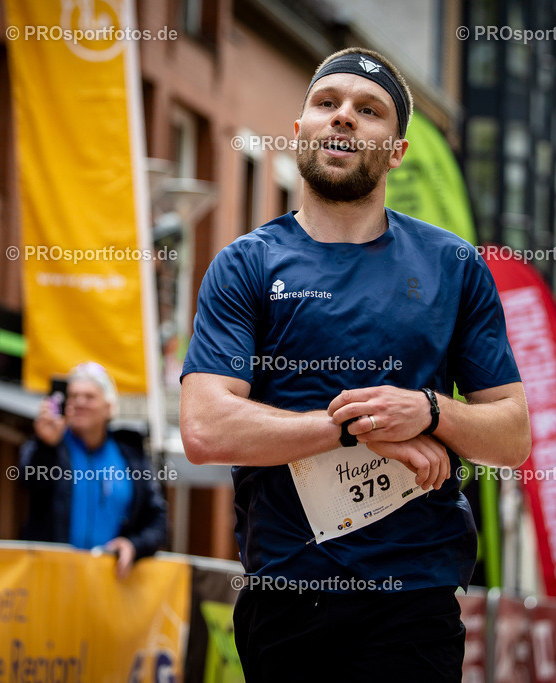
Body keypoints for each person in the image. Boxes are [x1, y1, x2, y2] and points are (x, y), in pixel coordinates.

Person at [179, 47, 530, 681]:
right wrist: (357, 427)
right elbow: (205, 429)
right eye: (327, 103)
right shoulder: (246, 265)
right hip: (288, 593)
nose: (343, 117)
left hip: (413, 598)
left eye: (368, 111)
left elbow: (511, 435)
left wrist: (426, 410)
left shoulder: (452, 266)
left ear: (396, 151)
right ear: (299, 130)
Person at [18, 361, 167, 579]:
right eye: (73, 396)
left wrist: (133, 546)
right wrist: (46, 446)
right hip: (50, 580)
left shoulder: (130, 456)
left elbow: (158, 522)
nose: (79, 403)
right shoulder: (50, 445)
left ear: (109, 407)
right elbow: (28, 483)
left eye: (89, 397)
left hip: (108, 584)